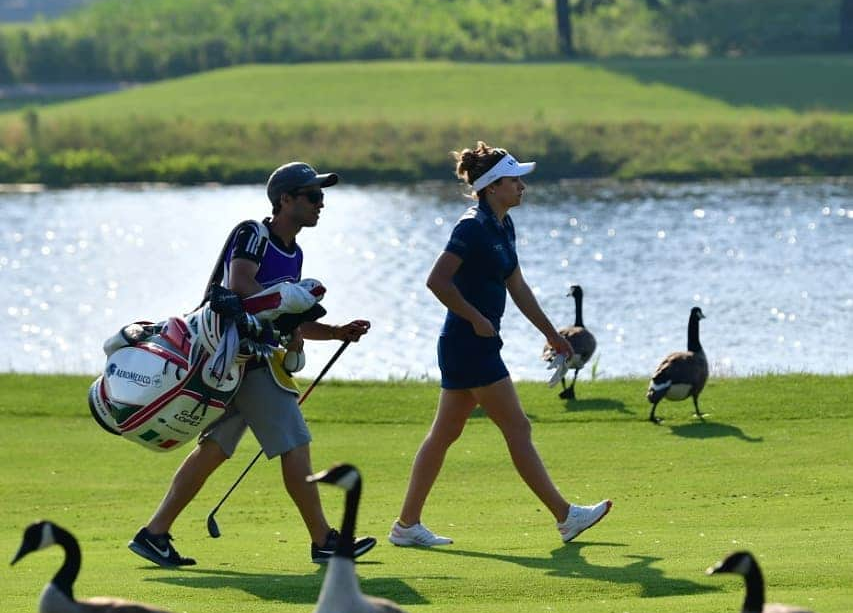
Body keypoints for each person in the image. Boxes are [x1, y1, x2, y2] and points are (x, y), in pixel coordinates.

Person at [129, 162, 376, 567]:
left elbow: (288, 314)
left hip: (240, 364)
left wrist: (335, 332)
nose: (321, 203)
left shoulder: (294, 253)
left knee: (213, 450)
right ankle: (324, 541)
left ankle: (154, 534)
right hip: (238, 357)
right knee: (295, 445)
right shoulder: (253, 233)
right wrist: (286, 309)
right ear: (286, 200)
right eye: (313, 196)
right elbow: (241, 285)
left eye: (322, 196)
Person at [389, 142, 612, 548]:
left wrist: (551, 334)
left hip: (470, 345)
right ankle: (565, 517)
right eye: (514, 180)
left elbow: (517, 286)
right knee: (517, 426)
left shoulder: (503, 226)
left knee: (443, 434)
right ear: (493, 186)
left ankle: (406, 526)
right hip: (467, 343)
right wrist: (475, 318)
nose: (522, 186)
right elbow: (436, 281)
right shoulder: (470, 227)